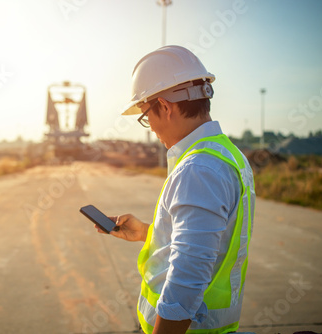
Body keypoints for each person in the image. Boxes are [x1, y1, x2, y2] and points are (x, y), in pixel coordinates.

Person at [96, 45, 256, 334]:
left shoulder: (200, 169)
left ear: (166, 107)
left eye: (146, 117)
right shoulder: (226, 154)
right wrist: (147, 232)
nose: (151, 129)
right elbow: (207, 242)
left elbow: (187, 283)